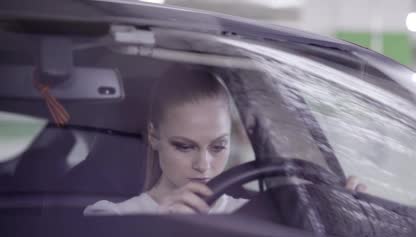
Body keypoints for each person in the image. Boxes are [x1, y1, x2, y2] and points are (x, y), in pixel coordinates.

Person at [85, 65, 365, 216]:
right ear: (154, 136)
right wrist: (161, 228)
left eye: (218, 146)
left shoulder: (252, 214)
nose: (203, 165)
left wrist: (344, 209)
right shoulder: (110, 217)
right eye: (184, 146)